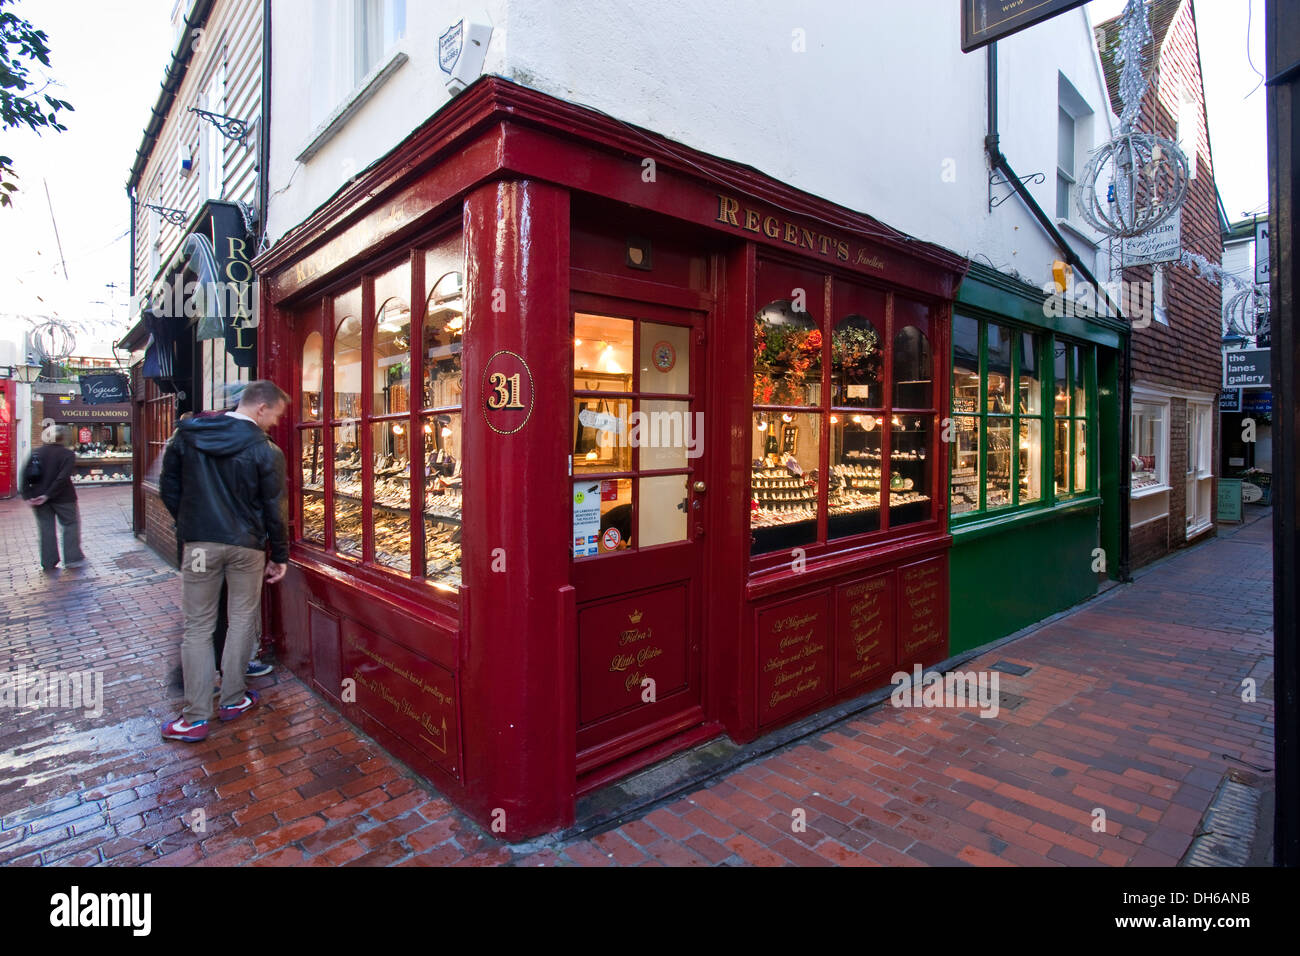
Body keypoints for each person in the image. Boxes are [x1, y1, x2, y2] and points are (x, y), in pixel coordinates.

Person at [158, 380, 290, 742]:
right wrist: (279, 554)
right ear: (261, 407)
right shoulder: (267, 451)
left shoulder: (187, 436)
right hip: (246, 547)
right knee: (242, 619)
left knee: (198, 626)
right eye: (275, 415)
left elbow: (169, 489)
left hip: (200, 546)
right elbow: (275, 509)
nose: (275, 423)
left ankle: (195, 717)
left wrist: (191, 525)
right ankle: (233, 698)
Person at [22, 424, 87, 572]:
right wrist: (48, 494)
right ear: (63, 438)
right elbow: (62, 478)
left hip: (38, 497)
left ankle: (48, 562)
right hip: (64, 497)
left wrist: (28, 496)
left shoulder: (35, 452)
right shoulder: (67, 454)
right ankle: (72, 558)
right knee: (70, 525)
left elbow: (24, 475)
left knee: (46, 529)